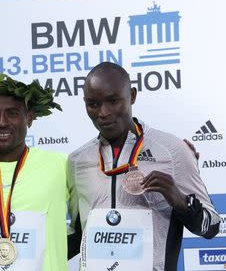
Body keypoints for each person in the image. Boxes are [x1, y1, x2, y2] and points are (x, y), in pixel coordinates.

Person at [67, 62, 220, 271]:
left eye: (113, 101)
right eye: (93, 104)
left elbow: (212, 226)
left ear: (132, 96)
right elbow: (78, 235)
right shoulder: (77, 161)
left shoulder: (173, 151)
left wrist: (181, 201)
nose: (103, 112)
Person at [0, 74, 68, 271]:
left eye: (12, 113)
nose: (1, 122)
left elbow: (84, 220)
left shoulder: (61, 165)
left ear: (30, 117)